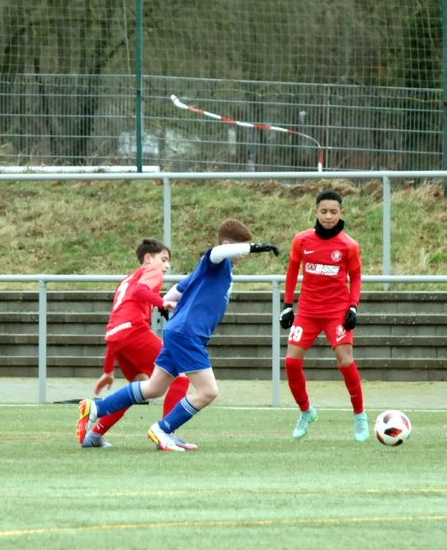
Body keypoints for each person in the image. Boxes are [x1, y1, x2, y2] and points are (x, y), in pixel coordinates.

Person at [77, 219, 279, 451]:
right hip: (187, 334)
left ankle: (97, 408)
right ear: (227, 245)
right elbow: (215, 252)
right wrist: (255, 247)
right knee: (208, 391)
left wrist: (166, 304)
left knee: (154, 387)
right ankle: (163, 429)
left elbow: (178, 289)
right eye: (241, 247)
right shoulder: (217, 261)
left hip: (179, 332)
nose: (244, 253)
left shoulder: (216, 271)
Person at [75, 238, 192, 449]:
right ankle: (166, 433)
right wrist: (163, 302)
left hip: (117, 337)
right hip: (134, 331)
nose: (166, 266)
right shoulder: (152, 272)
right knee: (181, 374)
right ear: (148, 259)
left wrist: (108, 370)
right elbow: (141, 291)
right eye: (163, 259)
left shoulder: (127, 280)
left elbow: (115, 326)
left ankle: (94, 435)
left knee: (140, 386)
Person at [278, 188, 368, 442]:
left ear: (341, 213)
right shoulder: (302, 240)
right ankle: (306, 412)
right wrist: (288, 305)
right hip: (308, 311)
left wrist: (353, 307)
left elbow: (356, 277)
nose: (329, 216)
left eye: (333, 212)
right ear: (316, 211)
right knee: (291, 363)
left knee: (345, 361)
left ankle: (360, 416)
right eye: (324, 211)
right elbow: (292, 270)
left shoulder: (349, 245)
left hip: (336, 311)